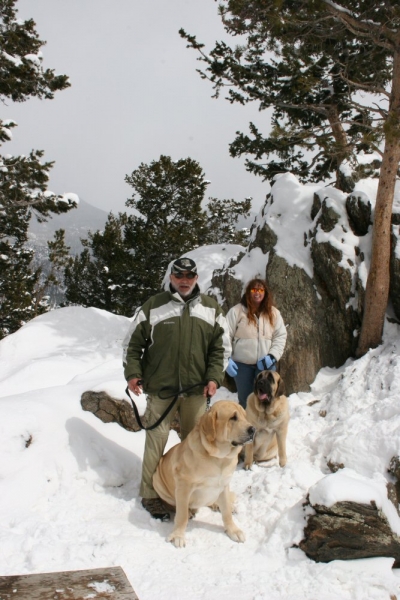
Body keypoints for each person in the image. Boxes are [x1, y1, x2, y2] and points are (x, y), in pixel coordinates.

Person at [123, 257, 231, 521]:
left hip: (196, 391)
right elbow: (132, 344)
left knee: (197, 445)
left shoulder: (211, 308)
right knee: (155, 441)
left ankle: (199, 493)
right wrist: (133, 373)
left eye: (189, 276)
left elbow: (221, 349)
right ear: (171, 277)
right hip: (162, 389)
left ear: (196, 278)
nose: (184, 280)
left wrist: (214, 377)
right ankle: (150, 494)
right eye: (179, 275)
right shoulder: (154, 306)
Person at [225, 278, 287, 409]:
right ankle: (247, 428)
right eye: (254, 289)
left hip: (265, 365)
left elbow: (280, 336)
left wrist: (272, 356)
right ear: (248, 292)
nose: (257, 293)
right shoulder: (236, 311)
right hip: (242, 366)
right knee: (246, 401)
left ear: (265, 292)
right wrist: (226, 359)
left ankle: (265, 428)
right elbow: (224, 335)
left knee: (268, 400)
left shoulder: (273, 313)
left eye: (260, 290)